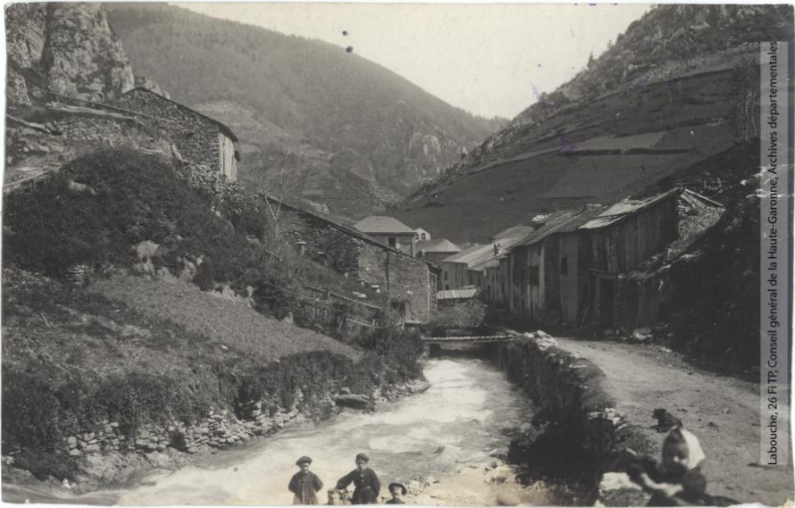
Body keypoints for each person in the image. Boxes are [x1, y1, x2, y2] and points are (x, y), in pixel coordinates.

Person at [628, 428, 715, 506]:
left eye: (681, 456)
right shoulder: (663, 470)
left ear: (692, 457)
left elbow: (696, 486)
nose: (674, 459)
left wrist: (676, 488)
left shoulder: (692, 477)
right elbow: (637, 464)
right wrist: (643, 476)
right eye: (669, 454)